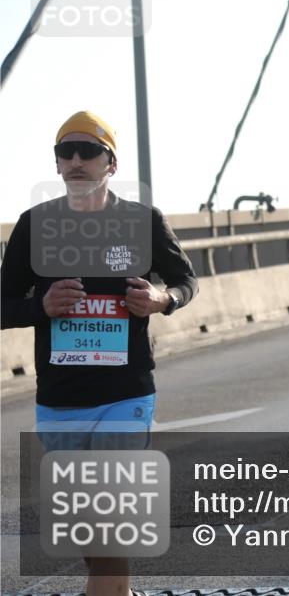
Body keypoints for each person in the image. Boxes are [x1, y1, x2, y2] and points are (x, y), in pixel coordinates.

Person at [0, 111, 198, 596]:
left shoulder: (141, 221)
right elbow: (4, 306)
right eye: (64, 152)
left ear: (111, 162)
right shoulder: (34, 225)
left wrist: (161, 300)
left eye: (87, 151)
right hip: (60, 398)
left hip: (124, 392)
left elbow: (186, 281)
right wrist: (41, 307)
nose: (74, 161)